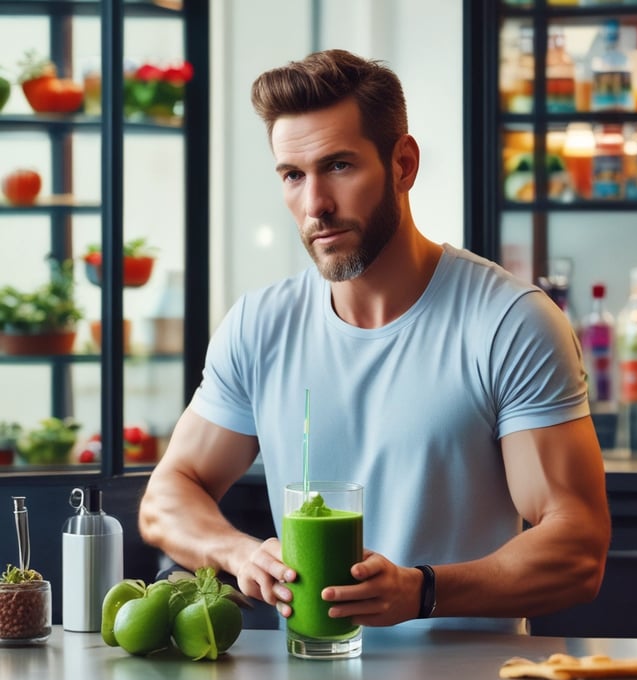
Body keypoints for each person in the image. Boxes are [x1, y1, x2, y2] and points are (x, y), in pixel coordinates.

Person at [139, 48, 611, 633]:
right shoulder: (258, 325)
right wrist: (240, 554)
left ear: (403, 164)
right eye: (293, 175)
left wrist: (422, 591)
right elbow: (166, 497)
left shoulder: (510, 322)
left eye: (338, 166)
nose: (315, 205)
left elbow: (578, 548)